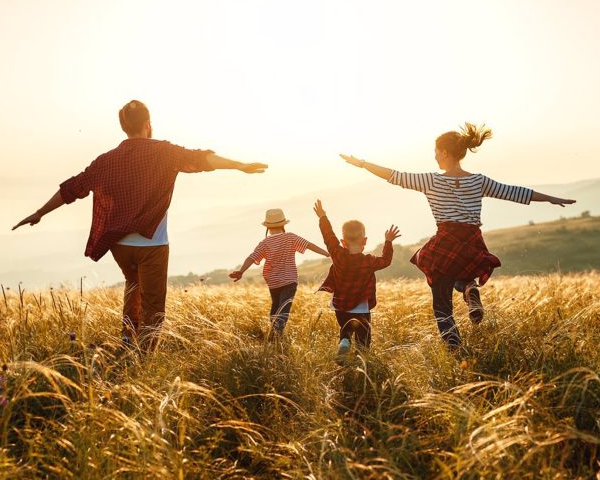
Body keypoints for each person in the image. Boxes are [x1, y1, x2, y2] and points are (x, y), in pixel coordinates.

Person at [13, 100, 267, 352]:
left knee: (133, 285)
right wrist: (239, 165)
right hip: (152, 245)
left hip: (119, 246)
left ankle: (127, 341)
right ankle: (145, 356)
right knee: (153, 304)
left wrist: (39, 212)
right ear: (148, 124)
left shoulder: (106, 161)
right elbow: (201, 159)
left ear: (124, 126)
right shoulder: (165, 152)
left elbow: (73, 188)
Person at [340, 123, 576, 349]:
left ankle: (454, 348)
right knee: (461, 274)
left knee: (442, 305)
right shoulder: (478, 181)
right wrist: (552, 199)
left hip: (446, 241)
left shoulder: (431, 180)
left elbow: (394, 175)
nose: (434, 156)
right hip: (472, 241)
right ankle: (468, 288)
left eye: (435, 152)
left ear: (444, 152)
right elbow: (515, 192)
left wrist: (362, 164)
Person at [312, 199, 400, 359]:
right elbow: (386, 260)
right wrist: (388, 241)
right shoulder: (369, 261)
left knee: (345, 328)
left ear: (342, 242)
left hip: (340, 305)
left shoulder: (337, 254)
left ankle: (345, 340)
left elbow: (328, 236)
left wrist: (323, 217)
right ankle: (361, 359)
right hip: (361, 308)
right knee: (363, 336)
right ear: (365, 241)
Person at [229, 208, 329, 340]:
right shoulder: (290, 237)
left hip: (273, 282)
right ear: (283, 224)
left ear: (268, 227)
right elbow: (309, 245)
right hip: (289, 280)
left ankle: (273, 334)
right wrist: (327, 253)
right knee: (284, 308)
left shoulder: (264, 243)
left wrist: (241, 271)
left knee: (275, 307)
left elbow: (252, 257)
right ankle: (276, 335)